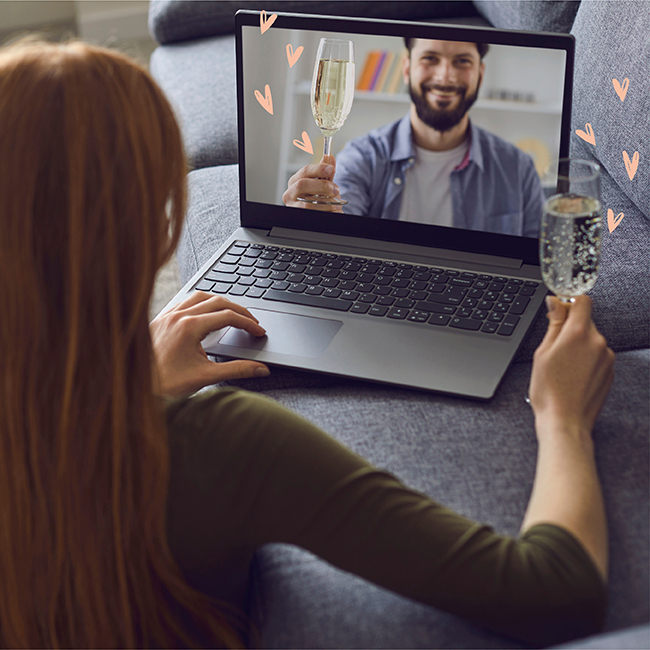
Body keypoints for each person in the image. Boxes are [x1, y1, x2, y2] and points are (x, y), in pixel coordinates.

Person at [0, 37, 615, 649]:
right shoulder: (216, 443)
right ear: (148, 236)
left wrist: (136, 389)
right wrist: (563, 418)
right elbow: (555, 591)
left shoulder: (510, 165)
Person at [284, 38, 545, 237]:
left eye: (462, 61)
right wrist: (312, 220)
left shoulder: (518, 168)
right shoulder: (362, 157)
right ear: (407, 69)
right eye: (430, 58)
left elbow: (539, 262)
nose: (445, 76)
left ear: (480, 73)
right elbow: (337, 227)